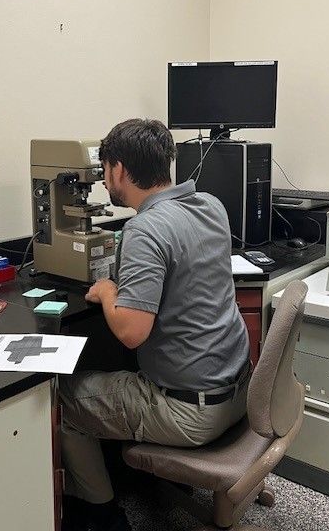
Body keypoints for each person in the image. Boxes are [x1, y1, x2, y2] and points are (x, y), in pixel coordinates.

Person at [60, 118, 250, 531]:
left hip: (191, 413)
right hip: (239, 396)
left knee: (64, 399)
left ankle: (101, 515)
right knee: (114, 370)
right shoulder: (210, 206)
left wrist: (109, 290)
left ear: (119, 171)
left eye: (104, 169)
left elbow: (131, 332)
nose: (104, 179)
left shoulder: (144, 228)